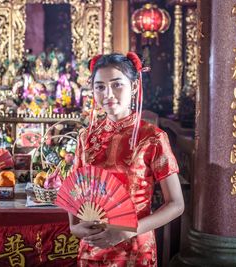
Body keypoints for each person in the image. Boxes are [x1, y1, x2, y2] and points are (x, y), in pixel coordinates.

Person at [68, 52, 185, 266]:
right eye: (100, 86)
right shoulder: (86, 137)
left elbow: (176, 204)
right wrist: (74, 226)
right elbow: (75, 191)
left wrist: (125, 232)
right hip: (92, 247)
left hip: (135, 248)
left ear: (134, 87)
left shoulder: (152, 137)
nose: (108, 94)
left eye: (117, 85)